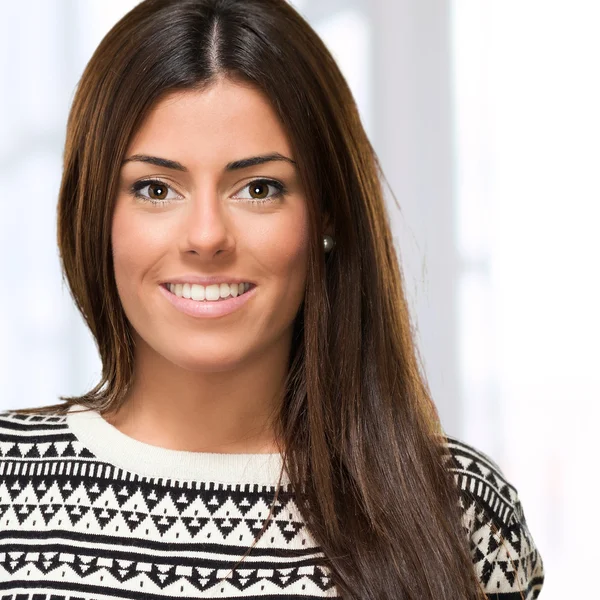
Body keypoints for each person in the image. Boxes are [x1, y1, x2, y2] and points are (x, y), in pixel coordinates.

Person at [0, 0, 544, 598]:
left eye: (259, 188)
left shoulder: (462, 511)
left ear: (328, 211)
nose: (206, 236)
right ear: (95, 213)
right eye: (155, 188)